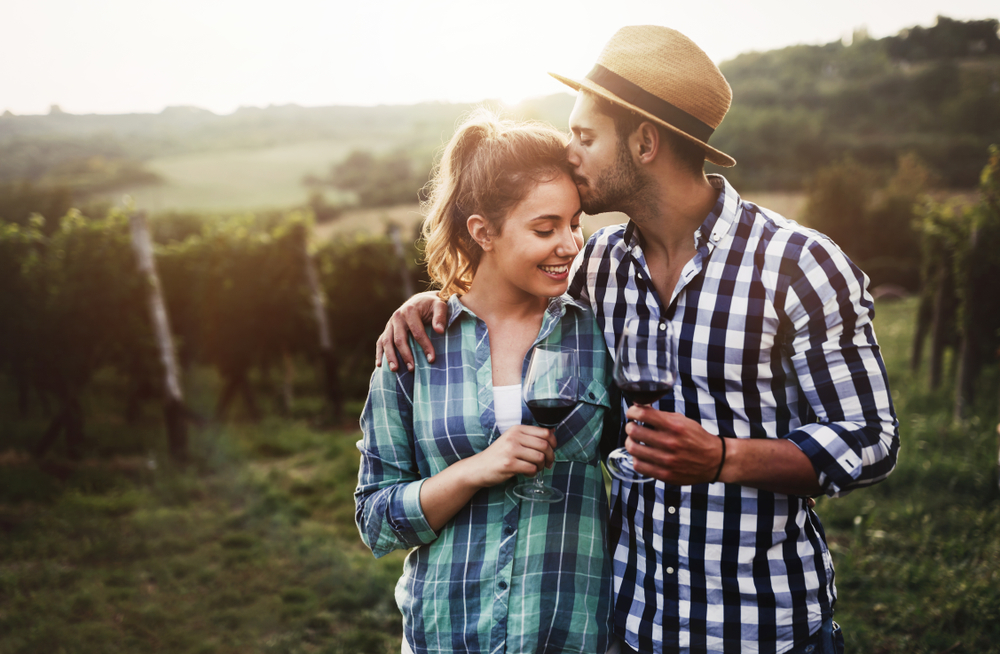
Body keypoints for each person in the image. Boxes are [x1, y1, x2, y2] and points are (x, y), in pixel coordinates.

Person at [375, 26, 900, 654]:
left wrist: (723, 458)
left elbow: (870, 439)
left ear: (645, 142)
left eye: (586, 136)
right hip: (633, 629)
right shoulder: (597, 268)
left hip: (764, 627)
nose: (570, 153)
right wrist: (433, 302)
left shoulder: (798, 264)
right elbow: (505, 292)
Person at [355, 108, 614, 654]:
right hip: (447, 635)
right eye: (545, 229)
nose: (569, 244)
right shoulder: (417, 345)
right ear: (484, 231)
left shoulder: (598, 333)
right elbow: (376, 520)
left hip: (567, 635)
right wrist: (474, 471)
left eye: (574, 224)